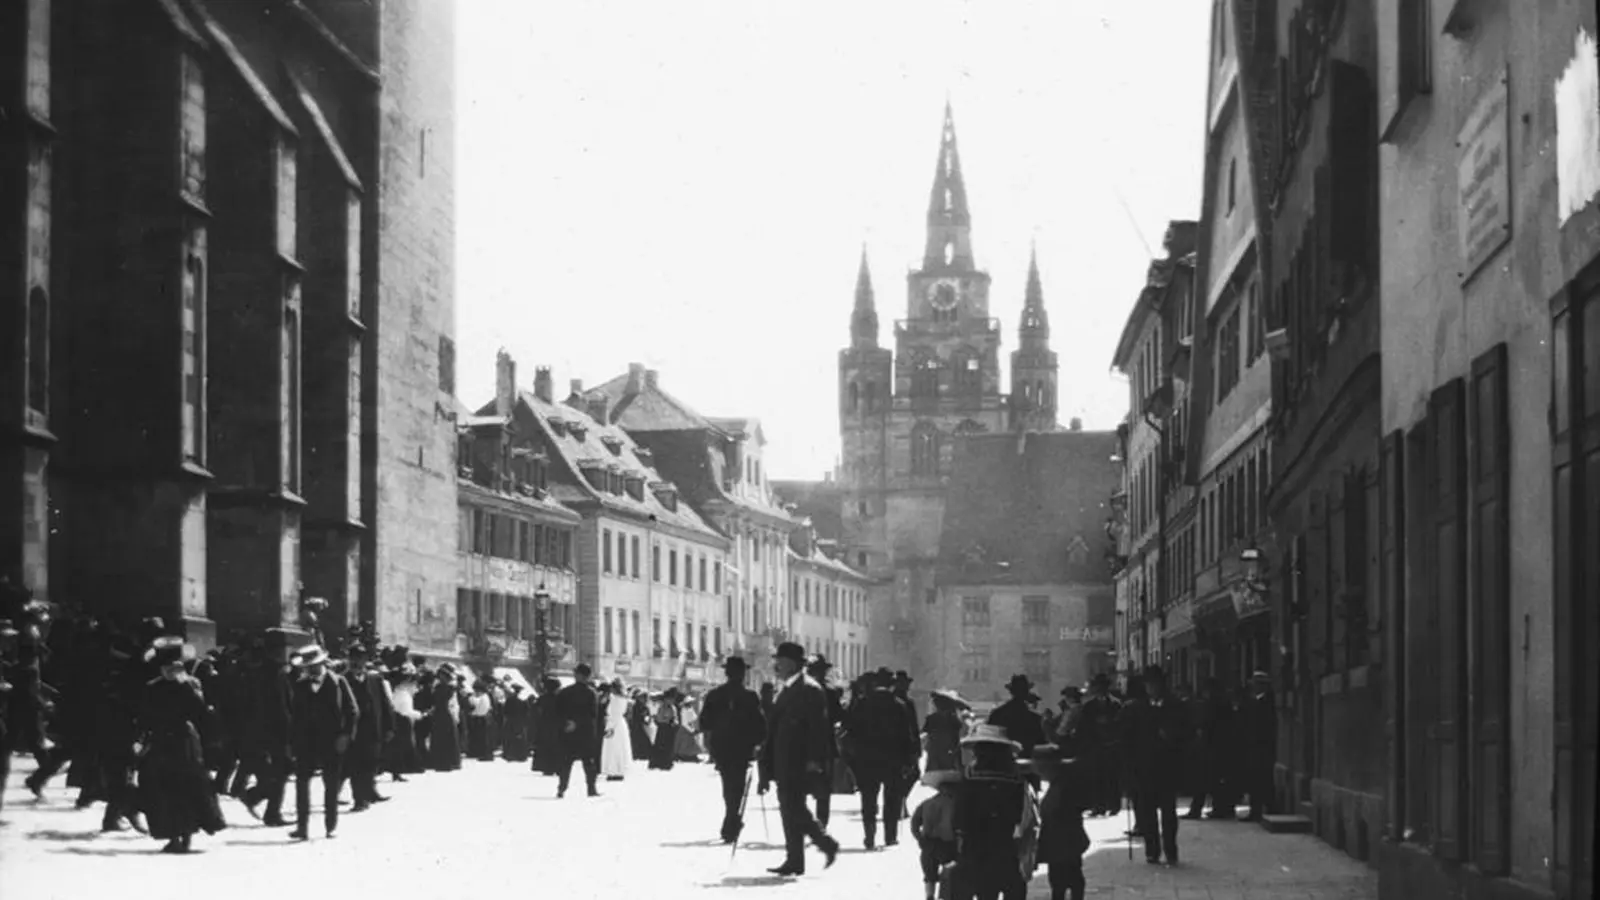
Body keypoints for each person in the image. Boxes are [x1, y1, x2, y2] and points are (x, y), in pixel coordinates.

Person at [132, 636, 227, 853]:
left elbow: (200, 712)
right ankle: (174, 835)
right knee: (164, 790)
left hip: (185, 741)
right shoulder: (153, 687)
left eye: (173, 666)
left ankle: (185, 835)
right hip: (161, 742)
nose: (169, 670)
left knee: (188, 787)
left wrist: (185, 686)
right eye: (166, 666)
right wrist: (140, 739)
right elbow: (144, 715)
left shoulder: (190, 684)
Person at [757, 641, 841, 877]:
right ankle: (795, 859)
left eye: (780, 661)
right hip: (783, 759)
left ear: (793, 663)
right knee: (790, 808)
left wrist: (814, 760)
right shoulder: (786, 688)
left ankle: (824, 843)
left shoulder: (810, 689)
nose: (776, 666)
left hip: (800, 760)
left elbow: (819, 729)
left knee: (793, 808)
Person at [950, 724, 1037, 900]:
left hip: (975, 843)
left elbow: (959, 814)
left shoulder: (970, 776)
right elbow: (1022, 813)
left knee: (984, 889)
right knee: (1010, 884)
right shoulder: (1016, 779)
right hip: (1005, 841)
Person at [286, 644, 359, 841]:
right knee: (301, 784)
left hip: (332, 742)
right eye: (308, 666)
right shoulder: (300, 686)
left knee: (331, 784)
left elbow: (352, 711)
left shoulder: (339, 682)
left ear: (322, 663)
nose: (311, 669)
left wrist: (346, 735)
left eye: (314, 665)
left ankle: (330, 825)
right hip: (305, 743)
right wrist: (292, 742)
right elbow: (295, 716)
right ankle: (302, 827)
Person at [1121, 665, 1190, 865]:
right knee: (1147, 811)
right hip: (1144, 769)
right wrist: (1129, 766)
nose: (1152, 688)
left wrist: (1171, 738)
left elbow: (1186, 733)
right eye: (1149, 685)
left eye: (1155, 684)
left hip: (1168, 767)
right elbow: (1128, 738)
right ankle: (1152, 850)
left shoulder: (1175, 706)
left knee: (1168, 812)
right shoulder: (1137, 708)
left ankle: (1171, 849)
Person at [847, 667, 919, 849]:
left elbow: (851, 731)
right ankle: (890, 835)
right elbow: (907, 735)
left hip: (866, 759)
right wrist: (909, 759)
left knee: (868, 798)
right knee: (892, 799)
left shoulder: (862, 704)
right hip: (892, 760)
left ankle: (869, 835)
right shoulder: (899, 705)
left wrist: (853, 758)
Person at [698, 656, 766, 843]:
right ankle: (732, 819)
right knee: (737, 785)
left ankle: (731, 819)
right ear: (743, 674)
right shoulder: (750, 696)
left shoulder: (714, 695)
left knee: (729, 785)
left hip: (722, 747)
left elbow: (704, 722)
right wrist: (757, 743)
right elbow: (760, 725)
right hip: (742, 748)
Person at [1029, 744, 1090, 900]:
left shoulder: (1064, 786)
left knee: (1066, 880)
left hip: (1064, 841)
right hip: (1061, 842)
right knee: (1063, 880)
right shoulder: (1061, 783)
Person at [344, 644, 394, 810]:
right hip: (355, 730)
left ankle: (370, 791)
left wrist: (389, 727)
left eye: (361, 658)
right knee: (356, 765)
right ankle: (359, 799)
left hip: (373, 729)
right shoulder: (344, 679)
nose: (358, 662)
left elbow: (385, 704)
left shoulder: (375, 679)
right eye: (355, 658)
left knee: (371, 763)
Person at [553, 663, 603, 798]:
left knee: (566, 762)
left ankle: (561, 788)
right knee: (589, 762)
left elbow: (557, 712)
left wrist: (567, 723)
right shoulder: (591, 693)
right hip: (585, 733)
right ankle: (591, 789)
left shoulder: (564, 692)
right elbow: (593, 715)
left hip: (568, 733)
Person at [911, 770, 961, 900]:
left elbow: (914, 822)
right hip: (948, 845)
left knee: (929, 877)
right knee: (949, 875)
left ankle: (930, 896)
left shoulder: (927, 803)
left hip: (928, 844)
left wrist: (919, 838)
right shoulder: (956, 804)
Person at [1077, 674, 1122, 817]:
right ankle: (1098, 806)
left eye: (1103, 687)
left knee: (1113, 777)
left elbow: (1121, 725)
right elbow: (1083, 727)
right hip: (1095, 746)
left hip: (1112, 746)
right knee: (1097, 777)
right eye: (1098, 687)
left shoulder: (1116, 704)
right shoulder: (1089, 707)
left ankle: (1114, 805)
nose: (1100, 690)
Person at [1238, 671, 1277, 821]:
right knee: (1255, 780)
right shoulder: (1253, 701)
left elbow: (1266, 725)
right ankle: (1256, 810)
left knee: (1263, 779)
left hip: (1263, 746)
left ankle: (1267, 807)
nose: (1252, 686)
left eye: (1255, 684)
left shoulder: (1267, 702)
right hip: (1254, 746)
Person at [923, 688, 968, 775]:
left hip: (936, 751)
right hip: (948, 752)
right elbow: (956, 737)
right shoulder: (953, 718)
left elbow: (927, 732)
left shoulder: (933, 718)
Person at [599, 680, 632, 781]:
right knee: (620, 748)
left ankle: (612, 770)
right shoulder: (624, 699)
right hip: (621, 724)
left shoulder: (613, 699)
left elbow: (610, 710)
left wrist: (609, 727)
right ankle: (619, 770)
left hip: (613, 723)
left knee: (612, 748)